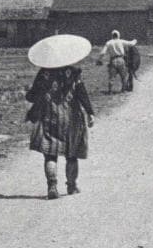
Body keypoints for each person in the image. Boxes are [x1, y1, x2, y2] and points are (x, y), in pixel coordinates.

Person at [25, 34, 95, 200]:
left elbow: (31, 97)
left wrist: (35, 93)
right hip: (72, 117)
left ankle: (52, 186)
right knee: (72, 153)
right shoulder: (75, 73)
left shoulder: (44, 74)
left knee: (50, 153)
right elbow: (82, 94)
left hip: (50, 117)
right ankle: (71, 186)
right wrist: (90, 112)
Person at [101, 29, 137, 94]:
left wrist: (99, 59)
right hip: (121, 60)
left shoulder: (108, 43)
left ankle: (110, 91)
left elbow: (103, 53)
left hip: (113, 60)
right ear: (118, 35)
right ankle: (123, 90)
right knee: (123, 76)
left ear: (112, 35)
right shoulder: (121, 41)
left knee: (111, 77)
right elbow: (131, 43)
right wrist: (135, 40)